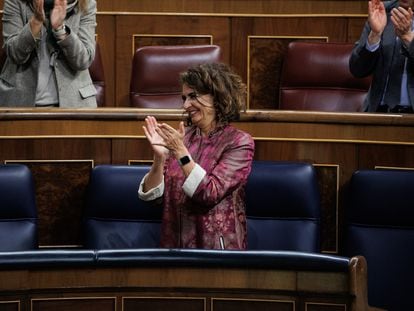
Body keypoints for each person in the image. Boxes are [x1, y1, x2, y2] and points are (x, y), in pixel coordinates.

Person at [138, 62, 255, 250]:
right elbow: (153, 198)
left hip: (217, 252)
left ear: (218, 97)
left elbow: (209, 192)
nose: (186, 105)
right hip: (174, 247)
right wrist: (159, 159)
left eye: (193, 96)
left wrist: (181, 153)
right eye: (184, 98)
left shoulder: (239, 142)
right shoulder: (184, 137)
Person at [0, 0, 97, 108]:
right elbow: (15, 54)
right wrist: (35, 22)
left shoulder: (85, 3)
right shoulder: (16, 2)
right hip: (20, 102)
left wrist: (61, 29)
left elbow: (83, 60)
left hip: (73, 104)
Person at [349, 0, 414, 113]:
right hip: (378, 113)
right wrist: (374, 36)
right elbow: (357, 69)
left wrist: (408, 38)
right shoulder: (382, 12)